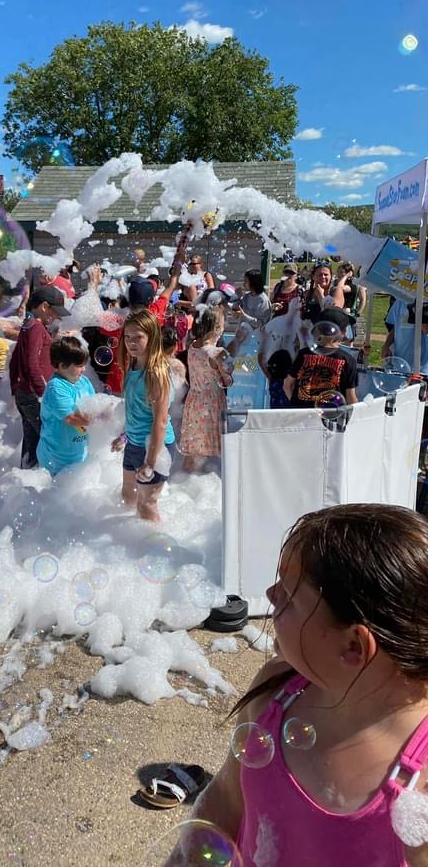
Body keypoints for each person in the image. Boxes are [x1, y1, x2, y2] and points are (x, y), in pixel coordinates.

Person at [166, 504, 428, 867]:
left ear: (353, 647)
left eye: (289, 593)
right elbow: (226, 799)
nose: (271, 594)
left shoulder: (418, 794)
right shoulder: (278, 690)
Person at [111, 309, 174, 522]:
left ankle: (153, 550)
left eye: (138, 337)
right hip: (135, 443)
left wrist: (151, 461)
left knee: (147, 504)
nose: (131, 342)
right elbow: (134, 409)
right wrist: (124, 435)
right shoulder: (133, 366)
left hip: (155, 447)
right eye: (127, 337)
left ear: (152, 337)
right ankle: (131, 541)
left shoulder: (156, 373)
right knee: (128, 494)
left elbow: (161, 421)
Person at [9, 286, 70, 469]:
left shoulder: (30, 325)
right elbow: (31, 364)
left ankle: (27, 474)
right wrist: (44, 394)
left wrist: (15, 386)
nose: (57, 317)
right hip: (34, 394)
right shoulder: (35, 327)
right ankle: (46, 477)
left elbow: (15, 361)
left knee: (32, 438)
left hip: (25, 392)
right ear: (44, 306)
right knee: (50, 436)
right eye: (55, 311)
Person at [179, 306, 233, 473]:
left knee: (194, 445)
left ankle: (185, 480)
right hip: (211, 403)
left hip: (194, 400)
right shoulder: (217, 352)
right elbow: (228, 380)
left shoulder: (193, 346)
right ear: (217, 329)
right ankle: (208, 481)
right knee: (210, 448)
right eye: (223, 325)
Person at [37, 336, 95, 476]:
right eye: (79, 365)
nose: (84, 369)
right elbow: (71, 419)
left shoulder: (84, 381)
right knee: (57, 496)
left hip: (79, 452)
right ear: (62, 366)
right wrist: (99, 421)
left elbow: (95, 405)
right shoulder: (56, 387)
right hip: (57, 458)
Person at [284, 307, 359, 407]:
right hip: (330, 419)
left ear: (318, 329)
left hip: (300, 418)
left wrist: (296, 406)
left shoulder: (303, 353)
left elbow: (287, 386)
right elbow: (351, 398)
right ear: (344, 331)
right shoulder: (348, 360)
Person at [382, 299, 428, 375]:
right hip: (400, 364)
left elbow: (426, 330)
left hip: (421, 367)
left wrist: (418, 310)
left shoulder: (425, 299)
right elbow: (395, 327)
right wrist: (386, 345)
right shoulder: (399, 301)